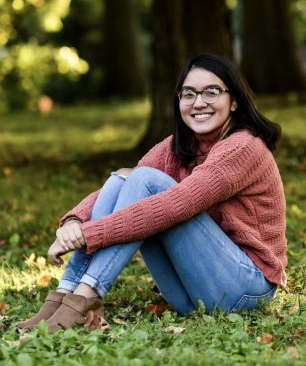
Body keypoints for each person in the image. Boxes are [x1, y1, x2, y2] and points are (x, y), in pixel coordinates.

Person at [17, 54, 287, 332]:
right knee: (125, 178)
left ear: (234, 101)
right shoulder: (180, 145)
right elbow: (127, 184)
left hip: (245, 289)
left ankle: (85, 297)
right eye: (189, 93)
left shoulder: (243, 147)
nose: (199, 102)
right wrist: (75, 220)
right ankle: (66, 293)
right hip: (191, 296)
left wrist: (88, 234)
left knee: (146, 182)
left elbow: (177, 203)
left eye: (212, 91)